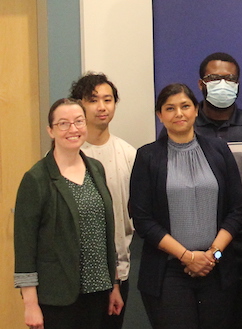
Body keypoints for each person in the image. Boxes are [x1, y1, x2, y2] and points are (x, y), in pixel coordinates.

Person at [130, 83, 242, 329]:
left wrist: (212, 255)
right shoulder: (147, 157)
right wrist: (187, 256)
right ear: (160, 115)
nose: (179, 113)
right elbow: (142, 219)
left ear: (196, 110)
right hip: (168, 272)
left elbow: (236, 210)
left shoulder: (218, 150)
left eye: (185, 106)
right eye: (170, 108)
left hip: (216, 267)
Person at [14, 98, 123, 329]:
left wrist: (114, 285)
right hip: (58, 298)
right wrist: (30, 305)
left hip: (99, 292)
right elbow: (25, 247)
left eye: (78, 122)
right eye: (63, 124)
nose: (73, 129)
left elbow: (105, 233)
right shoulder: (36, 178)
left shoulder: (96, 169)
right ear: (51, 131)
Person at [193, 52, 242, 329]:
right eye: (214, 78)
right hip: (200, 243)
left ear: (238, 84)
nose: (222, 83)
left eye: (229, 78)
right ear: (201, 84)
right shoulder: (185, 127)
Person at [70, 73, 136, 329]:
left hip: (117, 269)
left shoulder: (128, 154)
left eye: (108, 100)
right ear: (79, 104)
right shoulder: (64, 154)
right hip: (73, 270)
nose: (101, 107)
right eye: (93, 100)